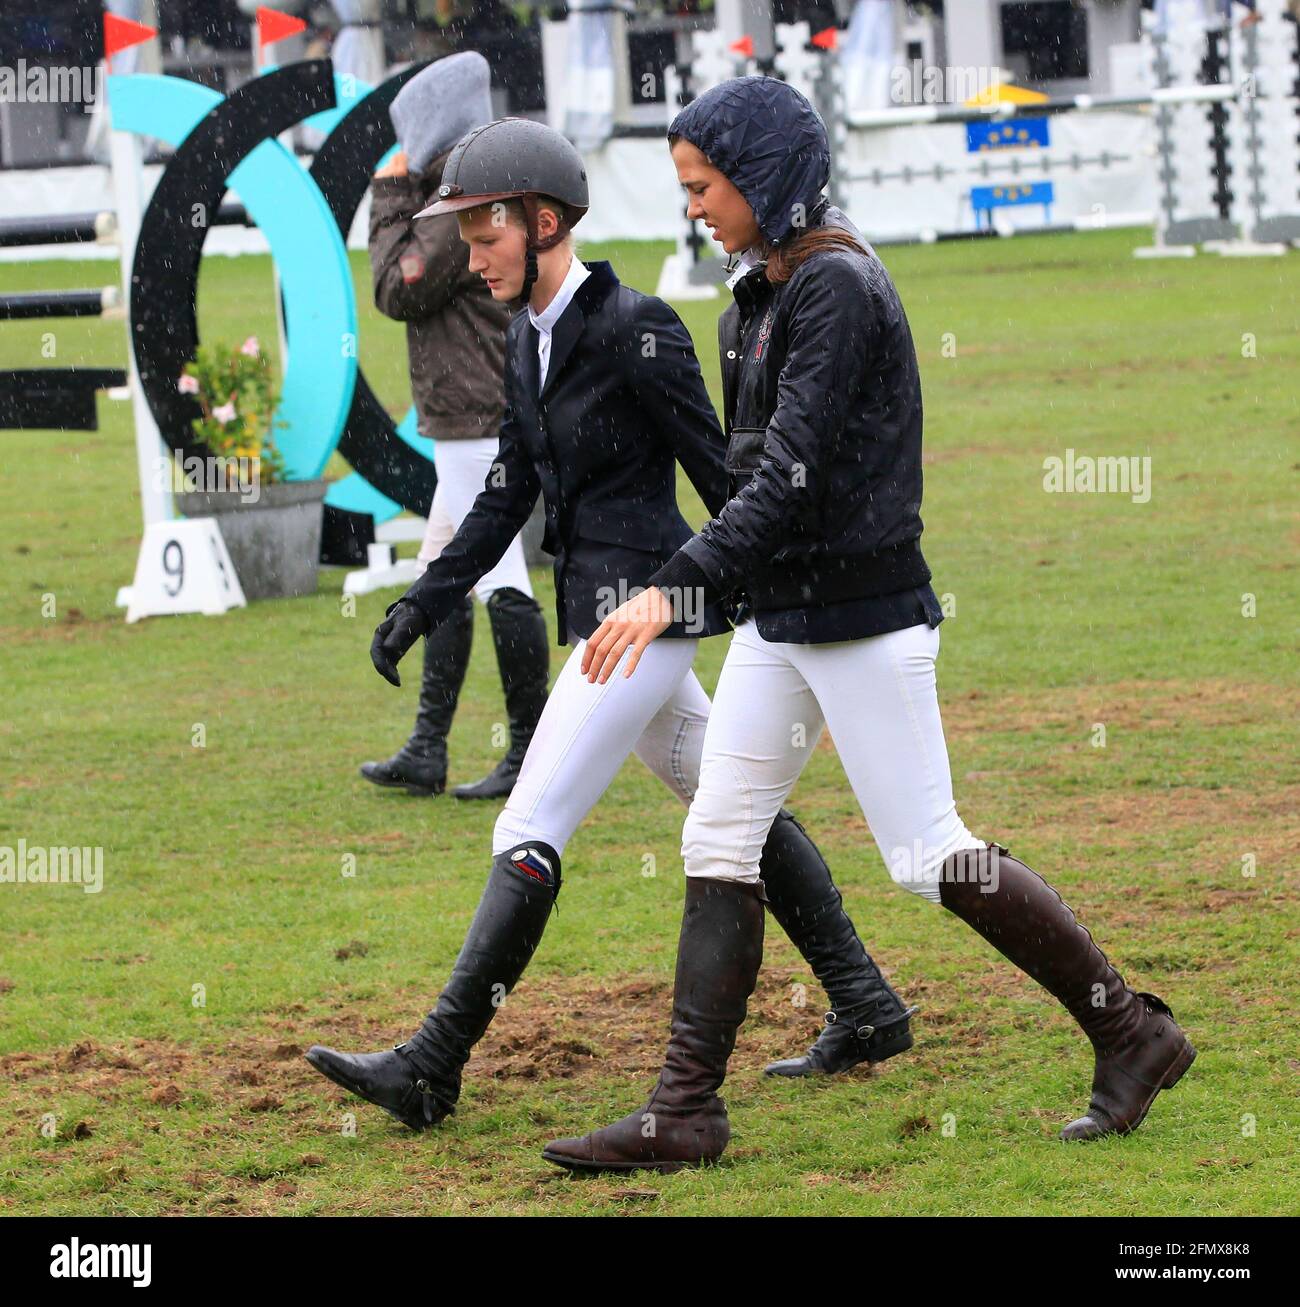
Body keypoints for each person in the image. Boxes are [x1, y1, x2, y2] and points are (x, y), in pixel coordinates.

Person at [543, 76, 1196, 1174]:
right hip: (782, 623)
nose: (692, 207)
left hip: (862, 619)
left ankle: (1132, 1029)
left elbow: (788, 476)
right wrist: (704, 585)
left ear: (765, 177)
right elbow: (752, 481)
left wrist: (671, 584)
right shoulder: (752, 295)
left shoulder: (837, 288)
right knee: (718, 830)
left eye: (703, 186)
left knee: (925, 849)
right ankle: (684, 1108)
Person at [303, 116, 918, 1133]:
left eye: (485, 232)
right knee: (728, 798)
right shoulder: (522, 338)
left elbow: (724, 478)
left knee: (528, 820)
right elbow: (505, 493)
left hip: (642, 619)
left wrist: (704, 594)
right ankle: (864, 999)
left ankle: (435, 1059)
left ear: (544, 223)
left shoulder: (638, 326)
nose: (469, 254)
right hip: (600, 618)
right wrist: (424, 597)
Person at [362, 52, 549, 800]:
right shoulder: (481, 182)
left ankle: (531, 751)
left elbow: (392, 288)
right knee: (440, 566)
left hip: (474, 410)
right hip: (477, 403)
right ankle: (429, 746)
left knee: (500, 574)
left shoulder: (452, 200)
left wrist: (387, 190)